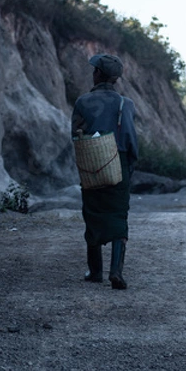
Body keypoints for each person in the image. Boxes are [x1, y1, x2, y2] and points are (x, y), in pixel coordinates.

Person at [71, 54, 138, 290]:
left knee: (92, 213)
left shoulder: (82, 102)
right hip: (117, 163)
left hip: (92, 162)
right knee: (118, 215)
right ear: (116, 79)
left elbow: (75, 135)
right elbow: (130, 140)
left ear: (98, 74)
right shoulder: (125, 104)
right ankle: (116, 271)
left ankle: (95, 271)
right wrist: (129, 167)